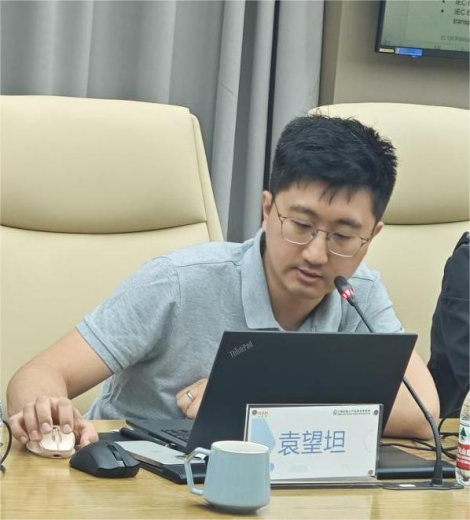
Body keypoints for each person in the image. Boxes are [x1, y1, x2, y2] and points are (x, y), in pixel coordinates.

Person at [6, 114, 439, 448]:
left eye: (342, 236)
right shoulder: (177, 282)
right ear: (266, 210)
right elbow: (38, 374)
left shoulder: (357, 292)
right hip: (136, 482)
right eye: (301, 225)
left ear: (371, 237)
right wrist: (46, 411)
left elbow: (423, 412)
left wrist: (254, 396)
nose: (316, 253)